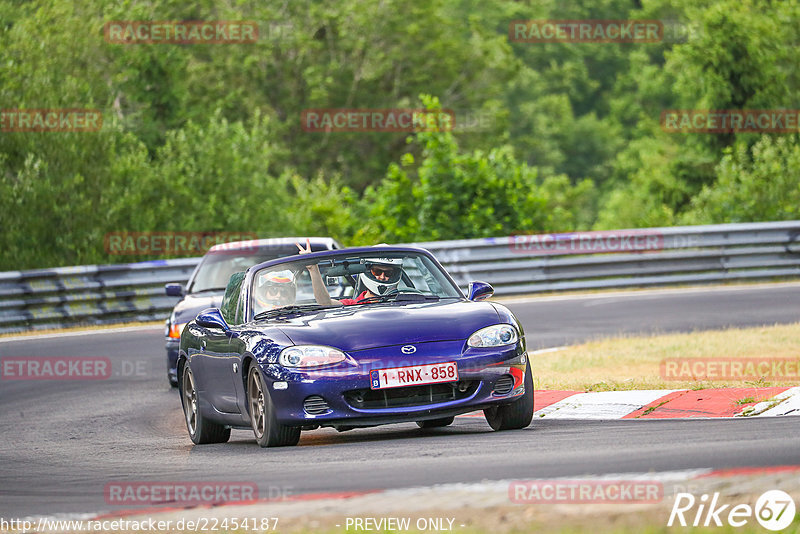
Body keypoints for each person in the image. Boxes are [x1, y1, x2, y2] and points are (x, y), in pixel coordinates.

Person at [296, 239, 402, 306]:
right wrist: (313, 268)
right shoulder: (353, 304)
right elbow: (325, 303)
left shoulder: (404, 301)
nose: (382, 277)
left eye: (388, 274)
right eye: (377, 271)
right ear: (367, 270)